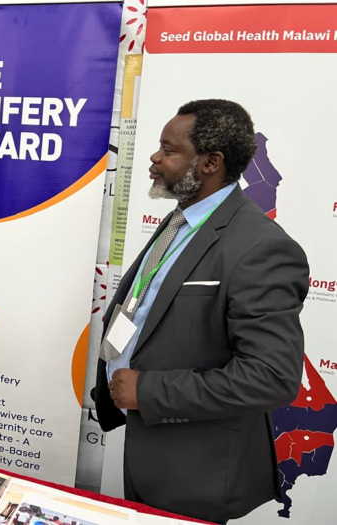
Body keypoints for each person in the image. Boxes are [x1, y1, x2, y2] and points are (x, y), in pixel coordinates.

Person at [95, 100, 309, 524]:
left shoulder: (260, 247)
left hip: (197, 469)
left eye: (169, 150)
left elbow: (271, 378)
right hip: (146, 445)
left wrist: (149, 392)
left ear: (211, 163)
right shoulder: (180, 219)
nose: (155, 158)